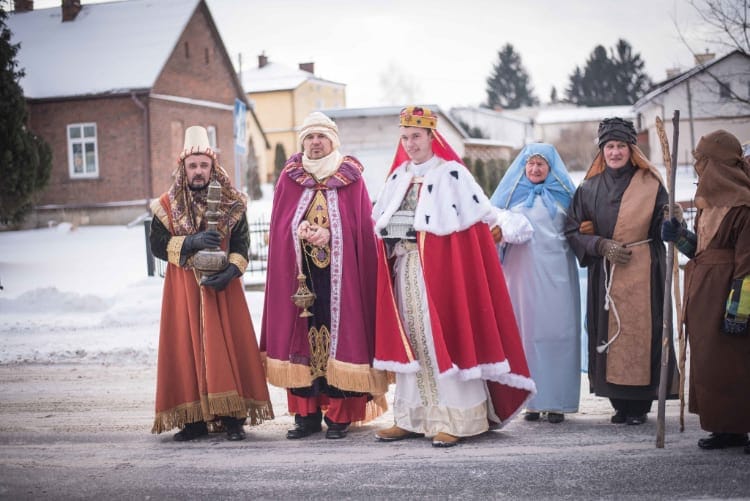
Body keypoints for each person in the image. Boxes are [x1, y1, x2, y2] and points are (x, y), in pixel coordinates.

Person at [372, 106, 536, 447]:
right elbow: (382, 225)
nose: (410, 144)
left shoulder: (453, 175)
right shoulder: (398, 177)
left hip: (443, 277)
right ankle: (412, 417)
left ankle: (458, 419)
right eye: (405, 138)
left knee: (442, 339)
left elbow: (478, 227)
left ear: (433, 137)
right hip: (405, 271)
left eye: (416, 136)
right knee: (412, 341)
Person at [260, 112, 388, 440]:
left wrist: (330, 235)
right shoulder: (290, 178)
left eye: (322, 137)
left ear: (333, 141)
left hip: (341, 279)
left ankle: (340, 415)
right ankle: (306, 416)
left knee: (341, 338)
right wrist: (298, 230)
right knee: (299, 337)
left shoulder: (351, 178)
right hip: (300, 279)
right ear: (302, 142)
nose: (315, 143)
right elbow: (279, 225)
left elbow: (362, 229)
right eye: (310, 137)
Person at [149, 125, 273, 441]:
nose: (199, 171)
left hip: (224, 289)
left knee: (228, 348)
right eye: (193, 166)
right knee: (185, 349)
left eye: (204, 165)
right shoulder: (166, 205)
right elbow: (157, 244)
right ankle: (193, 421)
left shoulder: (233, 202)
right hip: (183, 288)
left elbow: (242, 243)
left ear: (213, 167)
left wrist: (232, 272)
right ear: (184, 169)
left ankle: (233, 418)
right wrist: (190, 242)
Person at [564, 117, 677, 426]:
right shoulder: (588, 188)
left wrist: (670, 222)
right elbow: (572, 230)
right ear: (602, 150)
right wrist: (600, 246)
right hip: (607, 274)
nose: (615, 152)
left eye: (621, 146)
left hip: (644, 270)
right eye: (609, 146)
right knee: (610, 335)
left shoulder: (651, 184)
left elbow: (661, 223)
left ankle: (639, 405)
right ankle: (619, 403)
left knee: (643, 331)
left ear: (631, 149)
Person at [661, 129, 750, 453]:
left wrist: (739, 310)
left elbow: (747, 266)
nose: (698, 167)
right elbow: (702, 251)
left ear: (717, 165)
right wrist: (679, 235)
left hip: (729, 297)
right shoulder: (707, 205)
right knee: (713, 366)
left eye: (702, 161)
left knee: (739, 365)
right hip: (703, 299)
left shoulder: (743, 208)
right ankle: (727, 428)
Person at [490, 143, 581, 424]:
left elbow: (581, 228)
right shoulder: (508, 198)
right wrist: (497, 234)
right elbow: (491, 230)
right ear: (523, 167)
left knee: (559, 334)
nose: (535, 168)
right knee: (526, 333)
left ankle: (557, 402)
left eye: (541, 164)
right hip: (522, 275)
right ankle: (531, 401)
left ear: (551, 168)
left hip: (558, 274)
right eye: (530, 164)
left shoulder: (567, 197)